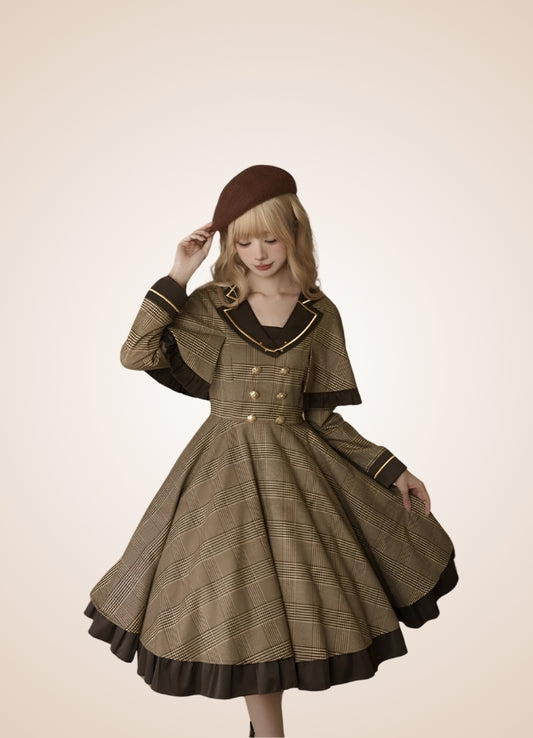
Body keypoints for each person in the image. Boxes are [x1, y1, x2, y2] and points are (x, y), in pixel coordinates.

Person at [84, 165, 458, 737]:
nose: (259, 253)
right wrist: (178, 274)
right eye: (244, 241)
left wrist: (391, 469)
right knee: (243, 605)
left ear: (295, 234)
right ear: (229, 246)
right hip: (220, 476)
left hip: (298, 477)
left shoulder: (320, 312)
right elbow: (137, 352)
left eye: (271, 238)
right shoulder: (210, 304)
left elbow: (321, 416)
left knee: (293, 612)